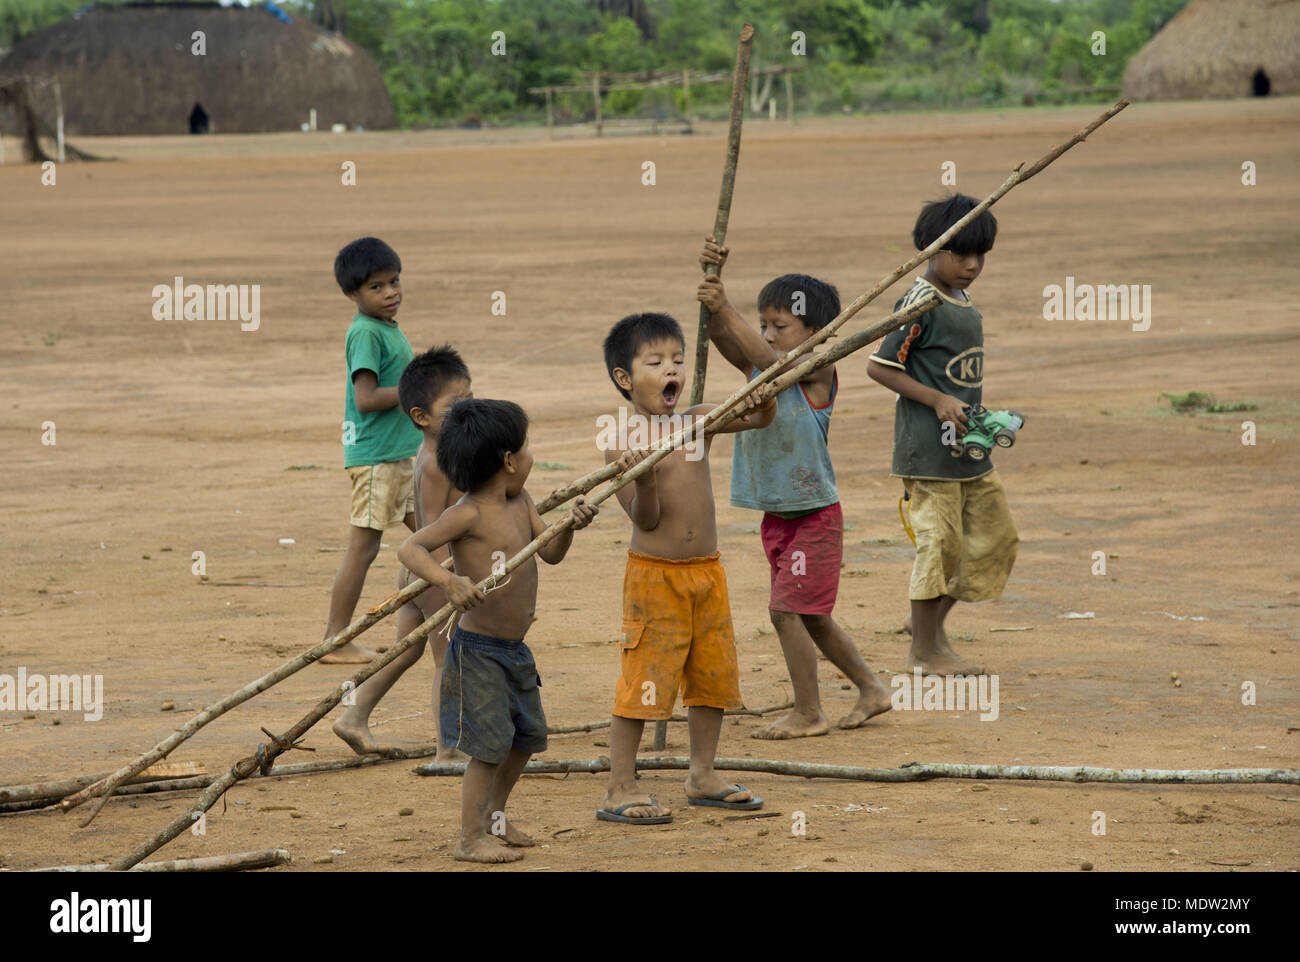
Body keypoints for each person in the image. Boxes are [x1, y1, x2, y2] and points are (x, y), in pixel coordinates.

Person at [697, 238, 893, 739]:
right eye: (764, 325)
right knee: (812, 616)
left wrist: (729, 309)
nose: (768, 335)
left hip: (813, 516)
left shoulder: (816, 369)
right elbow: (730, 343)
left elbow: (769, 357)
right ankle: (871, 687)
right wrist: (714, 300)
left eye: (780, 327)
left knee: (787, 611)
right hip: (778, 515)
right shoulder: (760, 368)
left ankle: (810, 712)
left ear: (817, 333)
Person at [398, 399, 597, 863]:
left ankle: (495, 818)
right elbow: (410, 549)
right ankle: (469, 838)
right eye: (526, 450)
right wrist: (450, 582)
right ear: (509, 460)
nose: (530, 457)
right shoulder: (465, 515)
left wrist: (570, 525)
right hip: (478, 652)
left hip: (514, 649)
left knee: (526, 738)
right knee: (487, 748)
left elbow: (550, 553)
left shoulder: (521, 502)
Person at [597, 311, 775, 825]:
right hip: (655, 578)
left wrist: (766, 392)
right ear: (625, 380)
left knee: (711, 675)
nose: (670, 368)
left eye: (677, 359)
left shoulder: (696, 419)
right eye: (655, 362)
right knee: (643, 679)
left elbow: (761, 417)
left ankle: (703, 774)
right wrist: (644, 474)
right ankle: (620, 786)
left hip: (708, 573)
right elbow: (644, 518)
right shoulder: (623, 437)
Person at [866, 194, 1018, 675]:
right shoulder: (921, 301)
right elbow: (879, 366)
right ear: (931, 249)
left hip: (969, 451)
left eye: (980, 255)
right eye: (959, 253)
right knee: (940, 543)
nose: (971, 265)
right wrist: (935, 400)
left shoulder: (963, 300)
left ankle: (926, 625)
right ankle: (924, 652)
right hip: (928, 455)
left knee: (995, 537)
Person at [333, 346, 472, 760]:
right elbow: (431, 527)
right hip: (434, 572)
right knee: (450, 663)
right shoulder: (437, 462)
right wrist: (447, 580)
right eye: (455, 406)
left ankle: (352, 716)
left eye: (470, 399)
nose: (467, 412)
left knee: (407, 648)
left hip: (421, 573)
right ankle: (450, 750)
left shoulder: (439, 452)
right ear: (421, 418)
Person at [321, 237, 422, 664]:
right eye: (376, 287)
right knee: (362, 548)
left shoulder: (385, 328)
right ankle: (335, 640)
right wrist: (415, 390)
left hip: (400, 456)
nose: (390, 293)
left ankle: (454, 617)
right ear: (352, 294)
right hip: (377, 459)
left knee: (437, 534)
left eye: (394, 281)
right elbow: (365, 398)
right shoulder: (365, 332)